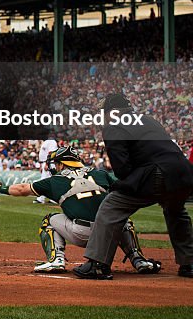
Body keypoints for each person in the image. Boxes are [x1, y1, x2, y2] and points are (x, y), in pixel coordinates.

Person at [0, 145, 159, 274]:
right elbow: (123, 192)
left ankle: (56, 260)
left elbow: (22, 189)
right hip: (109, 233)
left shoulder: (55, 181)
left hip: (82, 232)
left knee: (49, 220)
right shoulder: (101, 173)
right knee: (124, 220)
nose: (54, 167)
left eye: (56, 163)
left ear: (62, 164)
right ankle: (139, 260)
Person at [75, 93, 193, 280]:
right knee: (176, 212)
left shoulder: (114, 126)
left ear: (112, 112)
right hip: (184, 173)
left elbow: (122, 169)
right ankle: (189, 263)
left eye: (104, 112)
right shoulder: (149, 120)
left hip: (157, 173)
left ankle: (97, 264)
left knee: (111, 206)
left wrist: (121, 185)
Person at [34, 138, 58, 204]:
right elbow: (43, 155)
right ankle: (54, 199)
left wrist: (47, 163)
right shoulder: (46, 141)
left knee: (44, 181)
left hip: (50, 163)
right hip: (45, 162)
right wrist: (42, 164)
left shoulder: (52, 141)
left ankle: (41, 199)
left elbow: (51, 153)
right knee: (51, 181)